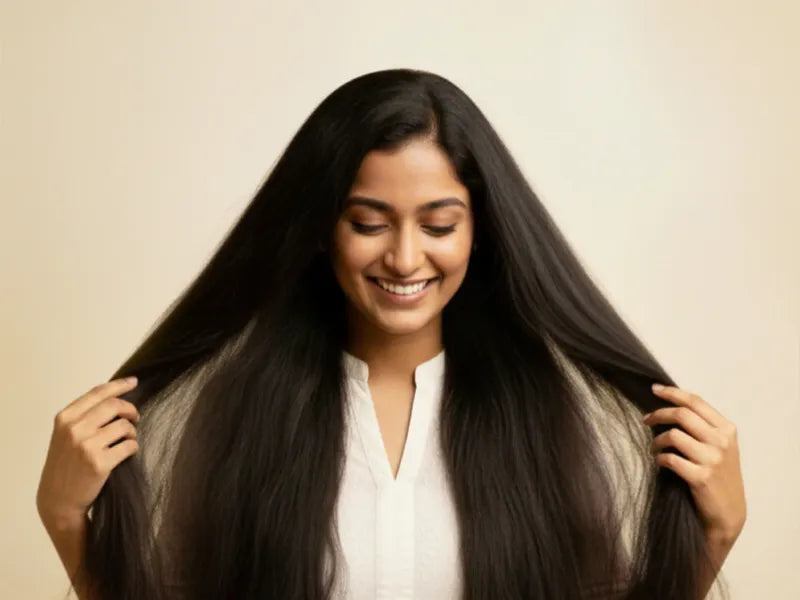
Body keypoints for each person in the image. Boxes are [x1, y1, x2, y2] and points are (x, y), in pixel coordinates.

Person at [36, 68, 746, 600]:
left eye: (439, 225)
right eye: (369, 223)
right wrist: (68, 521)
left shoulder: (536, 415)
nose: (405, 258)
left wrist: (714, 535)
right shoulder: (248, 415)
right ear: (321, 228)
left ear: (481, 230)